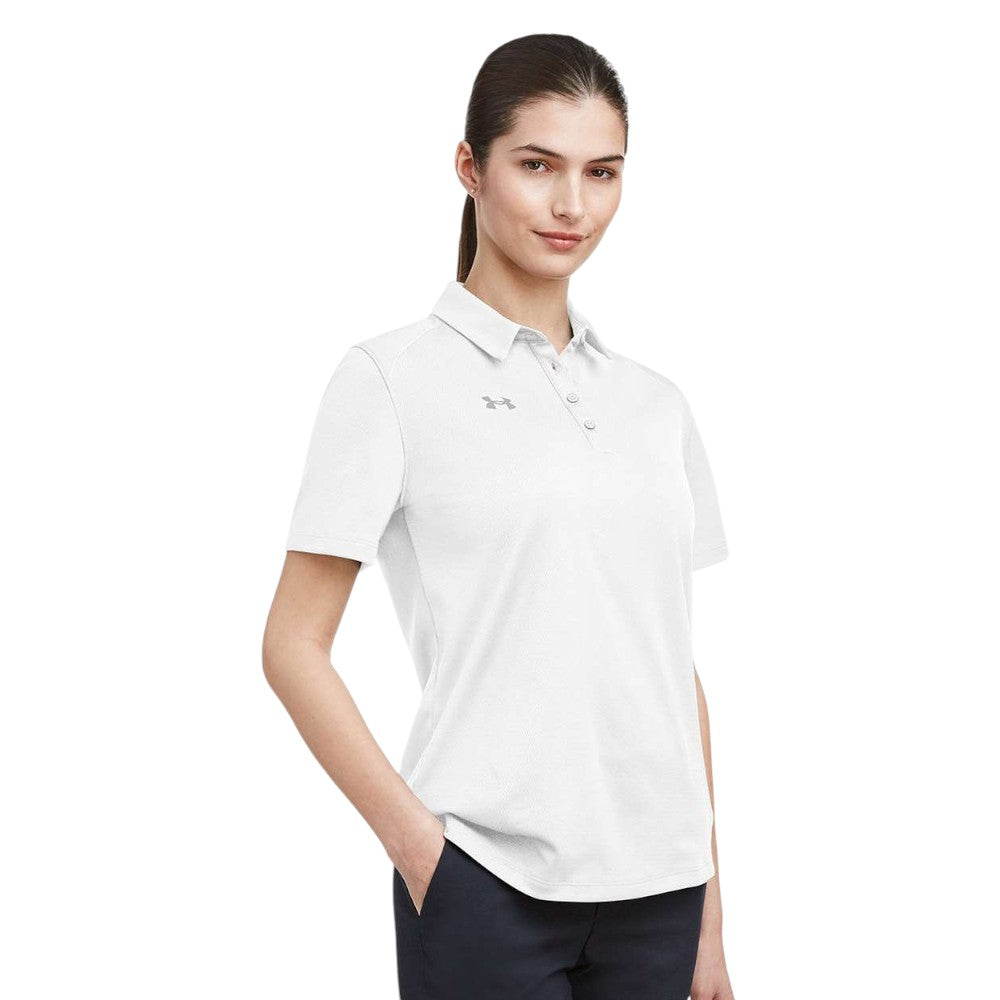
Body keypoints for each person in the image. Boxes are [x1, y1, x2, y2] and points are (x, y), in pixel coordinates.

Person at [263, 32, 736, 1000]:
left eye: (601, 172)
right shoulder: (390, 380)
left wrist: (711, 916)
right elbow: (292, 645)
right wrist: (422, 851)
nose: (572, 206)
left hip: (662, 893)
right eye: (537, 165)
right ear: (469, 167)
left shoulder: (655, 404)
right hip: (486, 884)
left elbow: (666, 662)